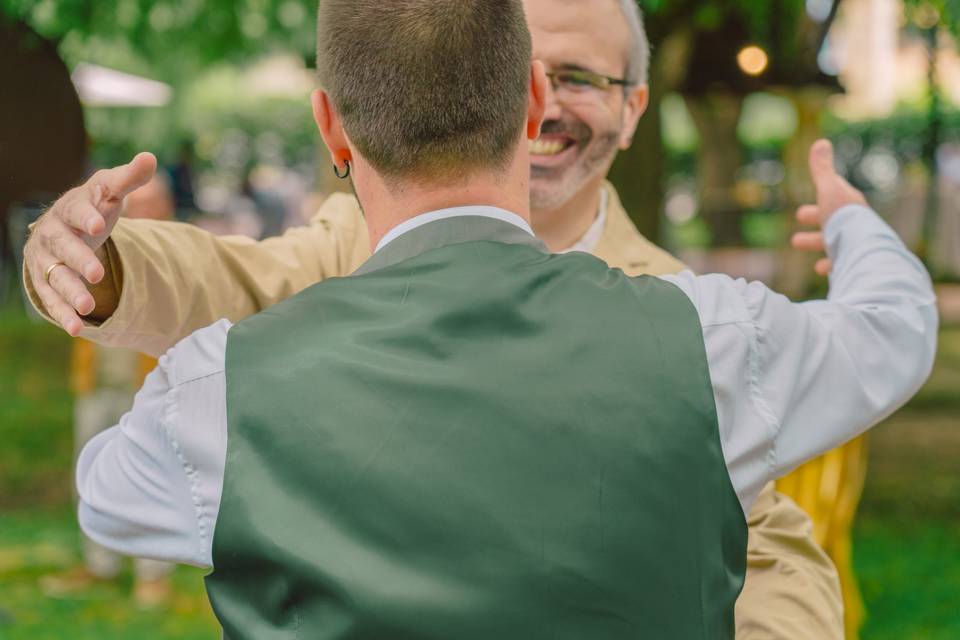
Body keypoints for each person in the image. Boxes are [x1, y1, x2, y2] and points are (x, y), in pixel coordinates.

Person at [21, 1, 929, 637]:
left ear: (632, 108)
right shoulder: (716, 334)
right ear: (510, 91)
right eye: (534, 65)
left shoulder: (696, 322)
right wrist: (103, 269)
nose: (555, 98)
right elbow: (238, 278)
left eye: (582, 75)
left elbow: (770, 549)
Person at [38, 175, 175, 608]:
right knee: (92, 472)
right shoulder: (104, 246)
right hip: (97, 381)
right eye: (138, 204)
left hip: (151, 385)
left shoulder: (180, 252)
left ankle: (153, 574)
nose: (143, 211)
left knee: (152, 476)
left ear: (166, 207)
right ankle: (100, 565)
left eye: (152, 203)